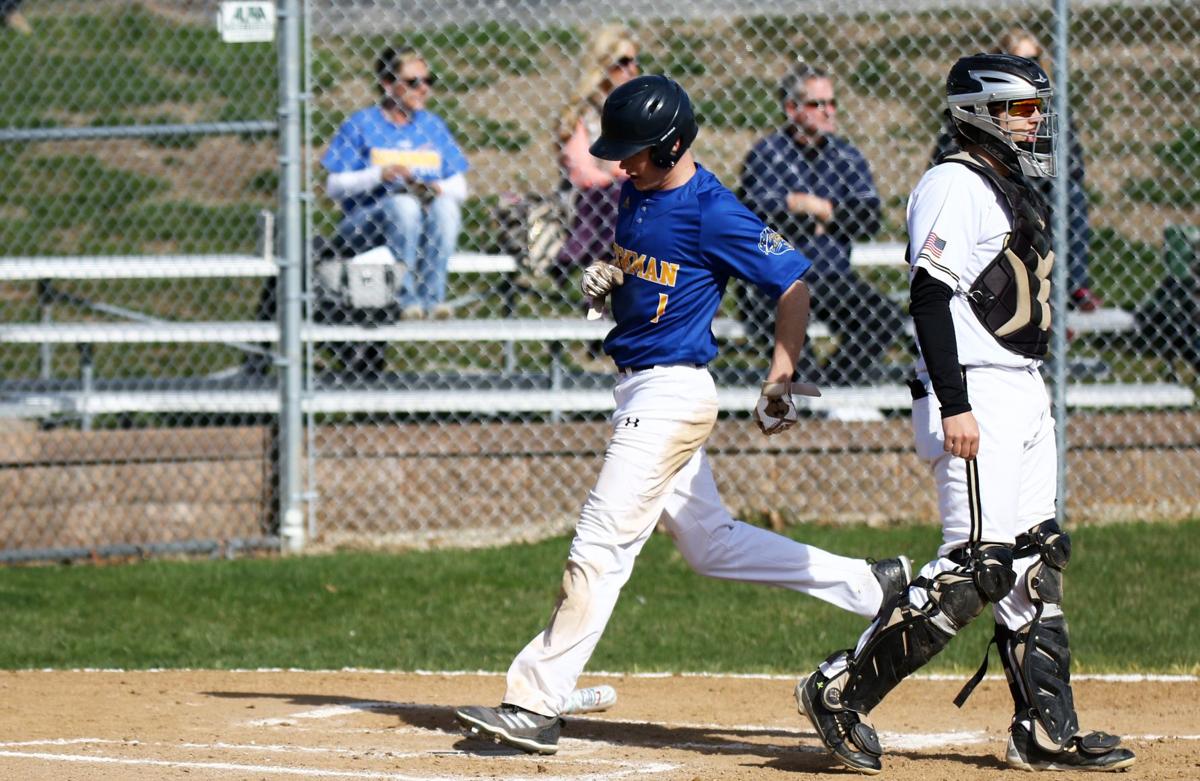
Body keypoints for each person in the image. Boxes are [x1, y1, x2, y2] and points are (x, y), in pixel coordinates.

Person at [454, 75, 911, 756]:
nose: (621, 163)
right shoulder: (635, 195)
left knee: (600, 543)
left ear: (672, 145)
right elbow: (647, 267)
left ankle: (535, 702)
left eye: (635, 151)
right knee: (711, 544)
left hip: (672, 393)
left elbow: (793, 282)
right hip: (640, 389)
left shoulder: (710, 208)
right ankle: (872, 585)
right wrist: (612, 280)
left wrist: (781, 373)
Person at [796, 54, 1136, 774]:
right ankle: (838, 690)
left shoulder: (1010, 184)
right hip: (973, 389)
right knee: (973, 563)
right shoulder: (954, 182)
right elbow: (929, 296)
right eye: (1020, 109)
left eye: (1035, 107)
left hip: (1021, 385)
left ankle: (1043, 729)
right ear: (980, 112)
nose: (1035, 120)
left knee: (1034, 559)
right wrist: (954, 402)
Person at [739, 62, 903, 385]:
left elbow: (869, 219)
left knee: (886, 319)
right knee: (777, 325)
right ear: (792, 108)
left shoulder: (846, 156)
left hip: (830, 275)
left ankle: (832, 390)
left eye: (832, 103)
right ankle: (808, 390)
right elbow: (757, 218)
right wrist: (826, 216)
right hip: (776, 280)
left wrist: (812, 207)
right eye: (818, 104)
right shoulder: (767, 154)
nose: (829, 111)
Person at [930, 29, 1100, 311]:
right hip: (998, 186)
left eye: (1034, 59)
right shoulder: (977, 107)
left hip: (1046, 188)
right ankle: (1044, 305)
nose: (1028, 68)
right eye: (1019, 59)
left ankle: (1069, 291)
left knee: (1070, 195)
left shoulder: (1051, 109)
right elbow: (943, 159)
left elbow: (1073, 164)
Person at [321, 45, 469, 321]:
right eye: (413, 82)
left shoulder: (431, 126)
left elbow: (459, 187)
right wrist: (379, 175)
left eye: (428, 81)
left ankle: (433, 299)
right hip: (364, 223)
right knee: (403, 205)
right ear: (388, 85)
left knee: (447, 208)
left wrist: (433, 188)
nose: (424, 88)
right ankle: (405, 299)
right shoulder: (362, 123)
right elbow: (334, 186)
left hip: (421, 220)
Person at [552, 26, 640, 278]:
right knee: (619, 196)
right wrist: (619, 174)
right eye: (623, 62)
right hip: (590, 196)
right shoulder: (582, 112)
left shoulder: (638, 110)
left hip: (630, 190)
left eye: (635, 61)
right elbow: (581, 170)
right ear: (602, 64)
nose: (632, 69)